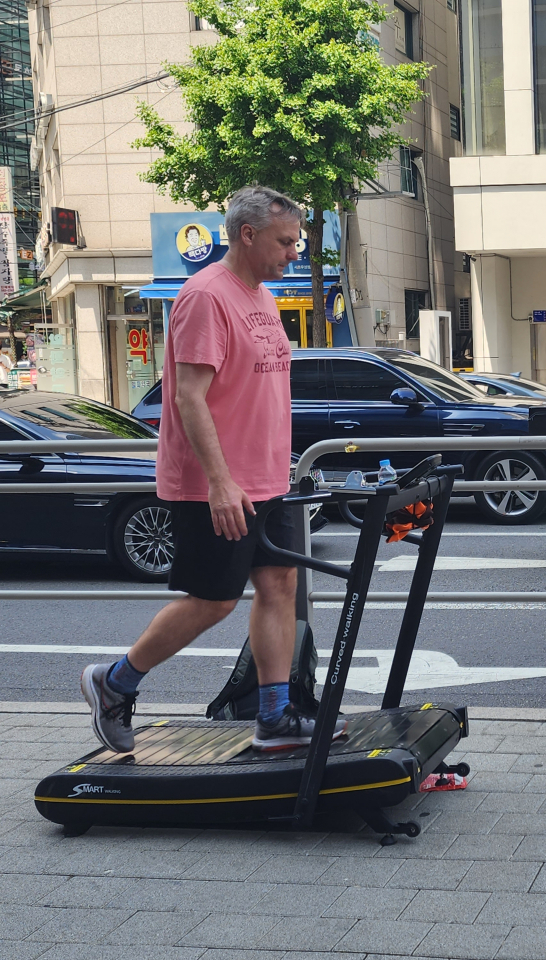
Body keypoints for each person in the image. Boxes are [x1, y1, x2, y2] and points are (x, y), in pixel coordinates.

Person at [79, 185, 348, 754]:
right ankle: (114, 682)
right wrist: (222, 482)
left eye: (297, 241)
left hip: (266, 478)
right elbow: (189, 399)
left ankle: (273, 718)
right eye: (284, 241)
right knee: (213, 600)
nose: (293, 253)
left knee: (279, 584)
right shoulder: (205, 296)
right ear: (247, 235)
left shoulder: (264, 299)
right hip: (214, 485)